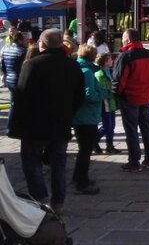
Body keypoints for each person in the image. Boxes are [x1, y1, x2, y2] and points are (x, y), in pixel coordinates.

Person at [7, 29, 84, 216]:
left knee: (32, 162)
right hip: (61, 124)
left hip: (35, 125)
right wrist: (68, 114)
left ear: (42, 44)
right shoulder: (72, 66)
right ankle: (58, 203)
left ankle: (41, 199)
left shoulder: (32, 64)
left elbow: (21, 96)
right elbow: (79, 96)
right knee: (58, 164)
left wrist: (17, 126)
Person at [112, 28, 149, 173]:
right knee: (147, 128)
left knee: (131, 130)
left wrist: (117, 94)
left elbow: (119, 80)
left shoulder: (125, 56)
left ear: (128, 40)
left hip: (129, 98)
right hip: (146, 96)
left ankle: (134, 161)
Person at [71, 45, 108, 195]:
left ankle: (77, 177)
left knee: (84, 148)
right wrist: (103, 94)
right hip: (86, 116)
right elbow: (89, 94)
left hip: (81, 115)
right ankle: (82, 182)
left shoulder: (78, 68)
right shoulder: (87, 72)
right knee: (85, 150)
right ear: (93, 56)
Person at [94, 52, 120, 154]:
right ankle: (93, 140)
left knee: (112, 125)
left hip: (112, 102)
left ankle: (110, 145)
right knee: (107, 125)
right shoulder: (99, 74)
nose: (112, 61)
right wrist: (111, 91)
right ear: (105, 62)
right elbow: (102, 88)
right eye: (110, 59)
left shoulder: (111, 71)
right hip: (105, 102)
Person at [2, 32, 26, 104]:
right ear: (19, 40)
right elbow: (24, 67)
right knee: (19, 103)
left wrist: (6, 75)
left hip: (9, 80)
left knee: (13, 102)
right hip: (18, 80)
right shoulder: (22, 51)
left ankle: (13, 114)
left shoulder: (6, 50)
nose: (25, 41)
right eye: (23, 40)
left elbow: (2, 66)